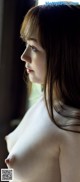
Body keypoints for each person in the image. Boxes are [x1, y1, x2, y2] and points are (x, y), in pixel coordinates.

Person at [5, 1, 80, 182]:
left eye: (34, 48)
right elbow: (9, 170)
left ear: (62, 55)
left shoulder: (73, 128)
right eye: (26, 44)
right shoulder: (43, 103)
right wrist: (3, 179)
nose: (24, 57)